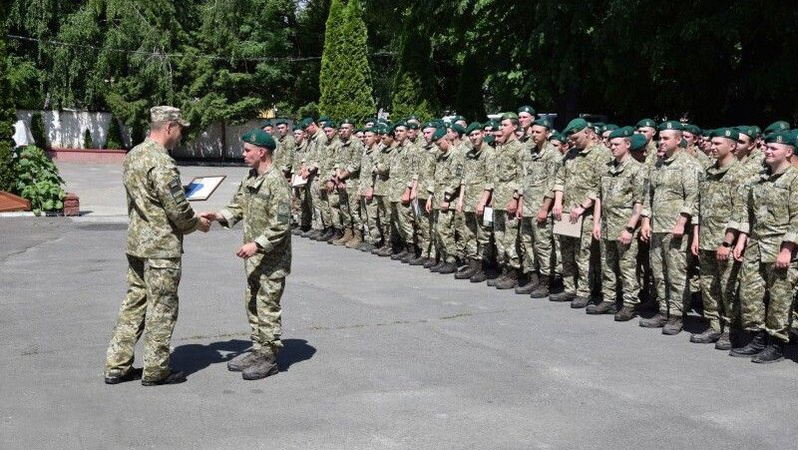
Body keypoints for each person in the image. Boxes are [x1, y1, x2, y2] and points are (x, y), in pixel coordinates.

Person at [104, 106, 210, 386]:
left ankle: (117, 365)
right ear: (169, 127)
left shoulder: (134, 155)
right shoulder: (162, 162)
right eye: (180, 129)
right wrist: (197, 223)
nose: (180, 135)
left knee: (134, 304)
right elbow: (178, 211)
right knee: (162, 307)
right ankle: (155, 369)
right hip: (161, 248)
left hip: (137, 243)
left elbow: (148, 197)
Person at [201, 128, 292, 379]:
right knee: (252, 303)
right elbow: (238, 205)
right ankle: (258, 348)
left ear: (262, 152)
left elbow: (281, 224)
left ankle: (269, 357)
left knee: (267, 306)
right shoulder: (251, 177)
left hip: (272, 258)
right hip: (253, 258)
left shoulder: (276, 182)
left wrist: (257, 245)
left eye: (247, 150)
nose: (243, 154)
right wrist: (218, 215)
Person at [727, 131, 798, 363]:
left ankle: (776, 344)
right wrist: (742, 240)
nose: (767, 151)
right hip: (756, 245)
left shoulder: (794, 179)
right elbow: (749, 215)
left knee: (779, 297)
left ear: (788, 152)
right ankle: (757, 338)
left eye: (773, 148)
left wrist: (787, 249)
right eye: (766, 147)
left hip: (780, 247)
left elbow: (797, 218)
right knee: (750, 293)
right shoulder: (760, 180)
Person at [639, 121, 702, 335]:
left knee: (676, 274)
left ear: (678, 139)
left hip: (676, 229)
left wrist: (682, 222)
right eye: (660, 138)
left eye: (666, 138)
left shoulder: (688, 164)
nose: (661, 142)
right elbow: (649, 194)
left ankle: (676, 315)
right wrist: (646, 220)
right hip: (657, 226)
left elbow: (693, 196)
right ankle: (663, 310)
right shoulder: (658, 163)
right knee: (658, 272)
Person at [589, 127, 646, 320]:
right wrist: (596, 223)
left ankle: (629, 303)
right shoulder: (605, 168)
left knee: (627, 267)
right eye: (610, 144)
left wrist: (630, 228)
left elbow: (639, 202)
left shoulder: (637, 169)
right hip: (606, 225)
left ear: (628, 144)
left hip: (624, 226)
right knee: (607, 265)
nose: (612, 147)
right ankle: (609, 300)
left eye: (616, 144)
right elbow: (599, 197)